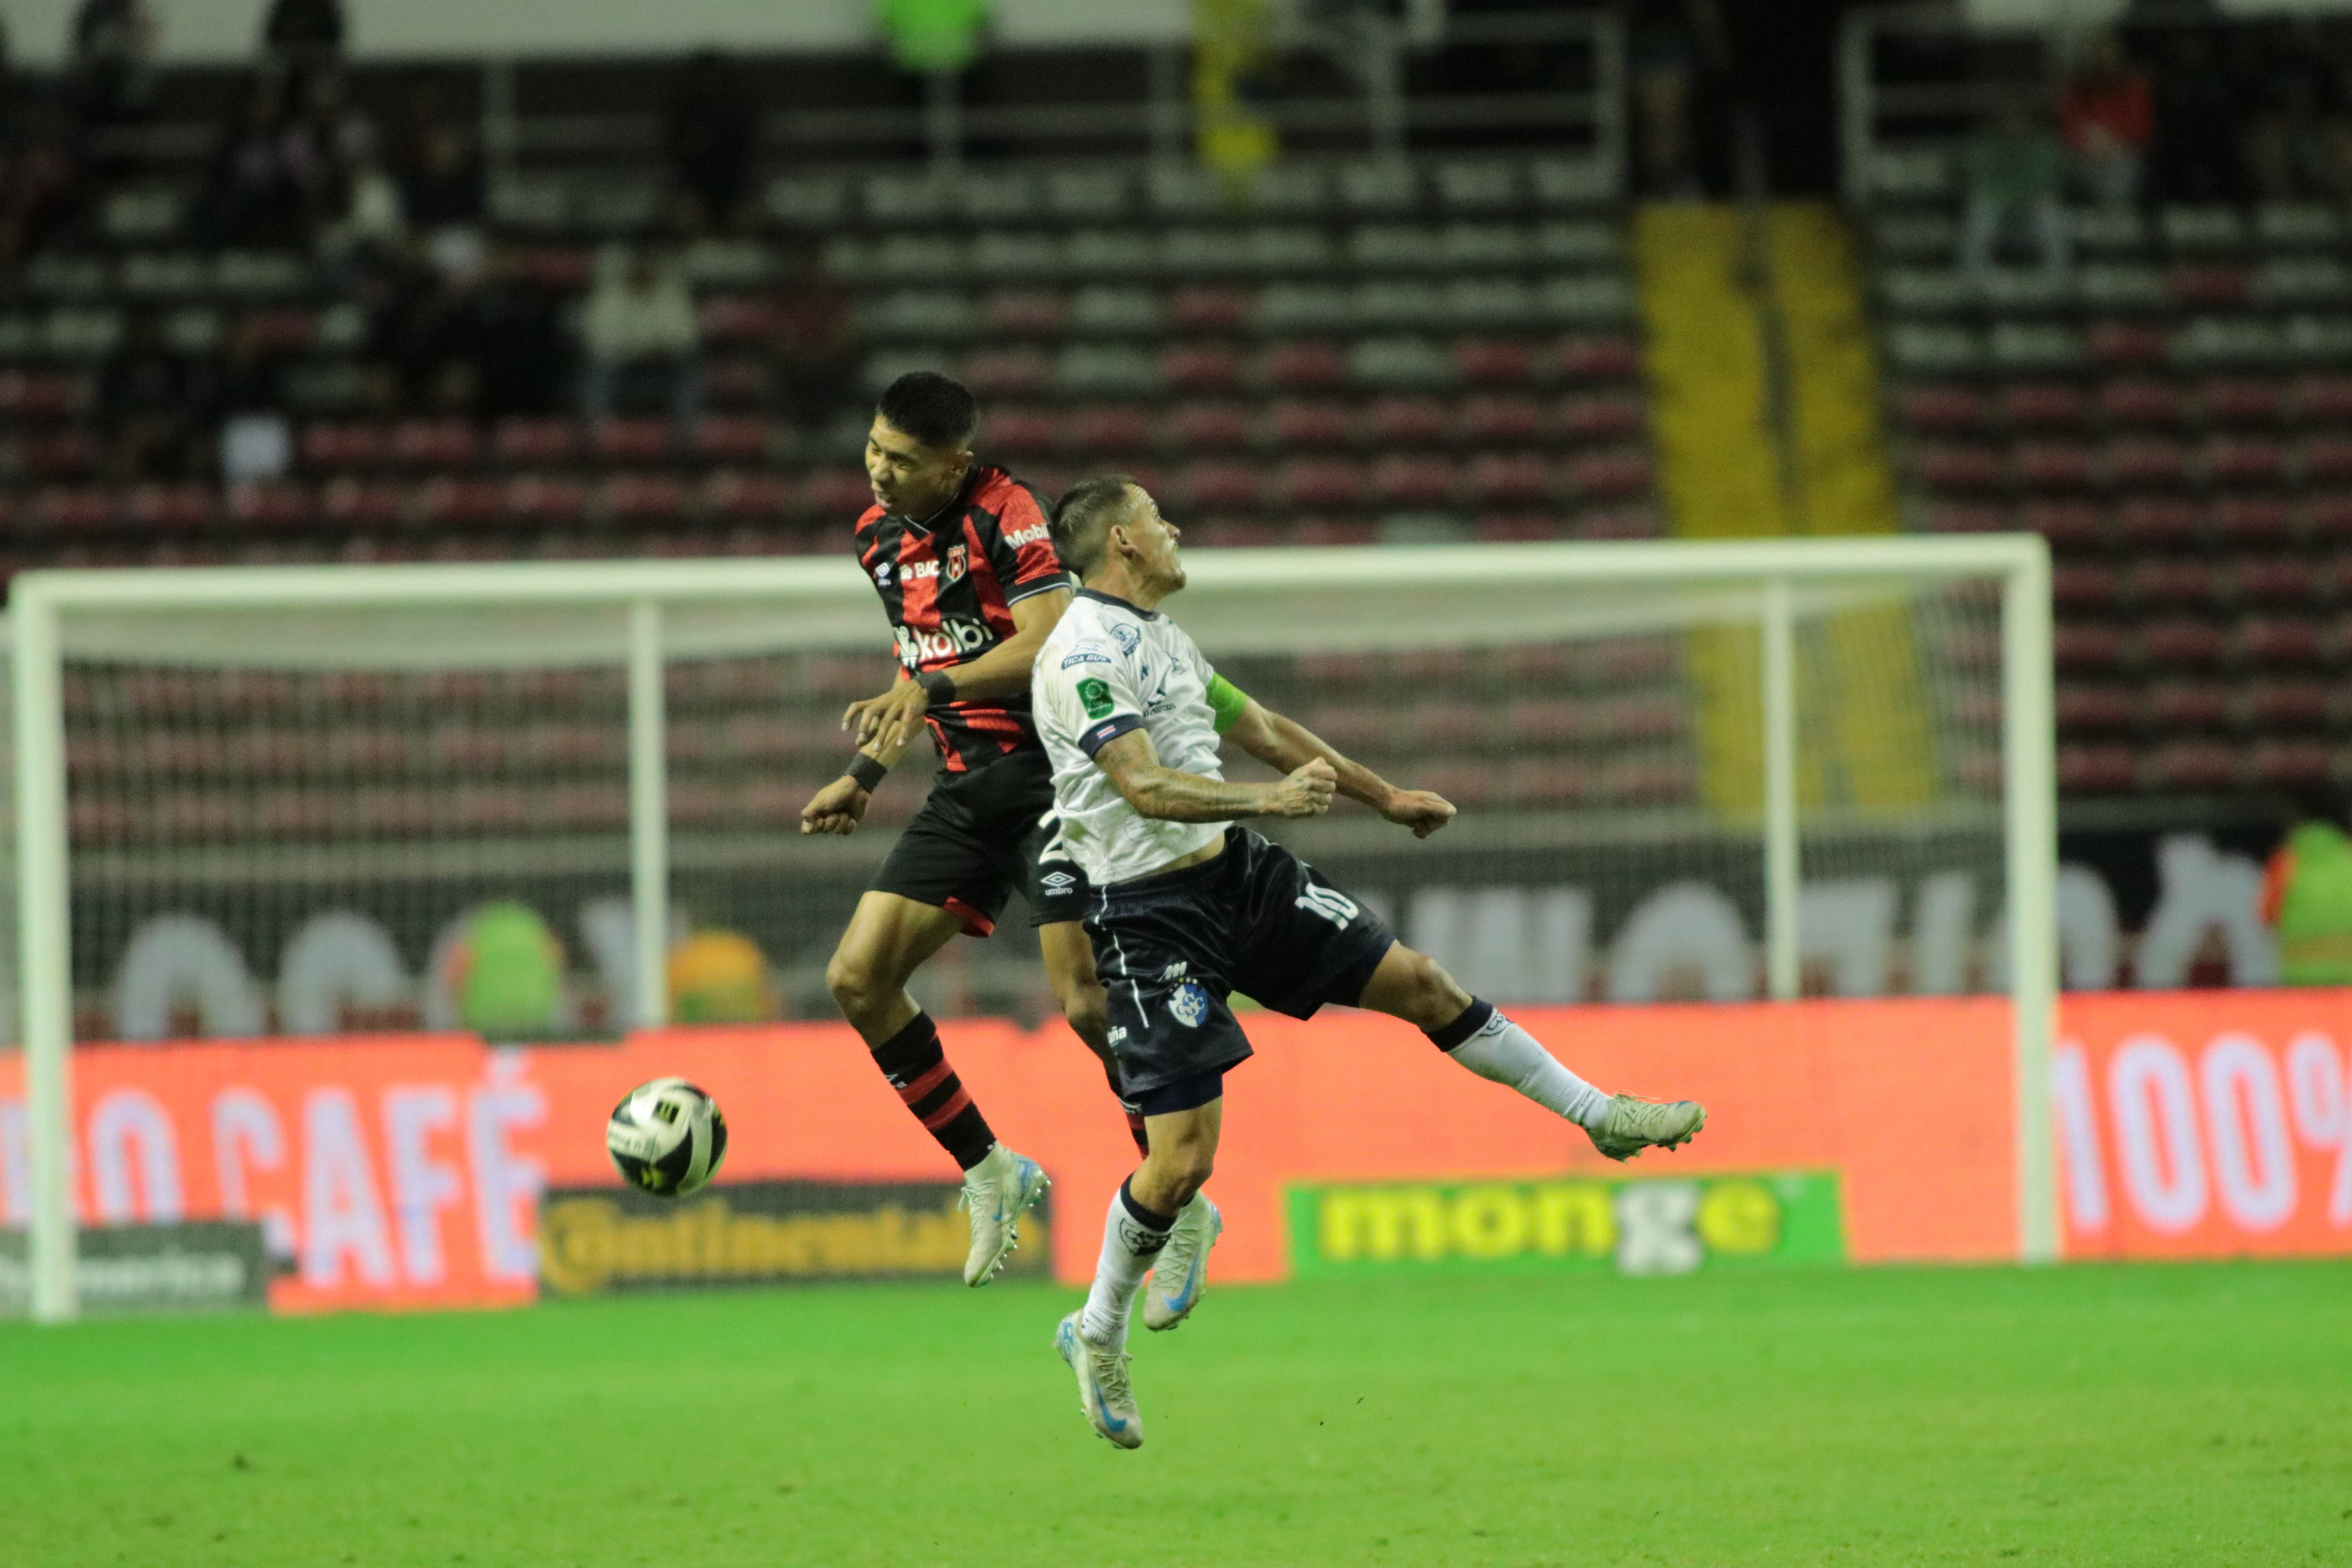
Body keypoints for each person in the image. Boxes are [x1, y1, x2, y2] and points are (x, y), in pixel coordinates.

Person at [1032, 475, 1706, 1449]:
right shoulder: (1084, 652)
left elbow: (1262, 731)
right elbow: (1139, 784)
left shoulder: (1167, 641)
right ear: (1125, 542)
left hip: (1240, 880)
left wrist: (1382, 795)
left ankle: (1599, 1115)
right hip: (1147, 915)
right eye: (1162, 521)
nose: (1177, 531)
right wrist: (1268, 804)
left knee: (1424, 985)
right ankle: (1095, 1330)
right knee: (1181, 1162)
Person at [796, 372, 1163, 1290]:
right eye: (874, 448)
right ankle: (992, 1169)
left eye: (904, 460)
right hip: (965, 788)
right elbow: (916, 666)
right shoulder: (875, 539)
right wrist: (862, 775)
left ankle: (1175, 1193)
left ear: (954, 462)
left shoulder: (1008, 509)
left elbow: (1042, 641)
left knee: (1083, 1000)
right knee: (858, 978)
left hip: (1052, 776)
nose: (879, 472)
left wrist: (935, 689)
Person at [579, 241, 701, 428]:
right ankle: (597, 429)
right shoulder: (610, 296)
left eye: (647, 265)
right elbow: (598, 339)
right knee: (599, 367)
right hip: (619, 362)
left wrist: (653, 348)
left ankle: (686, 431)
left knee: (688, 367)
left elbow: (686, 338)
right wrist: (636, 348)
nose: (641, 270)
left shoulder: (671, 295)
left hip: (663, 363)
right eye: (636, 265)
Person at [1957, 102, 2069, 282]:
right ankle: (1972, 281)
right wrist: (2013, 193)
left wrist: (2016, 194)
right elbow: (1979, 183)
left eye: (2020, 119)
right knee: (1982, 209)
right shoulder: (1984, 145)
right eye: (2009, 118)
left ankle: (2058, 281)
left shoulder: (2042, 146)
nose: (2014, 123)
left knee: (2051, 213)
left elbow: (2045, 184)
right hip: (1996, 212)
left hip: (2029, 215)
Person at [2058, 32, 2152, 208]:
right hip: (2083, 157)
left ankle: (2114, 223)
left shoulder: (2134, 87)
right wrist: (2089, 142)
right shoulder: (2077, 88)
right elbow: (2069, 128)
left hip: (2122, 156)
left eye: (2109, 54)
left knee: (2121, 173)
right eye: (2098, 54)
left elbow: (2142, 130)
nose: (2104, 60)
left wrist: (2111, 140)